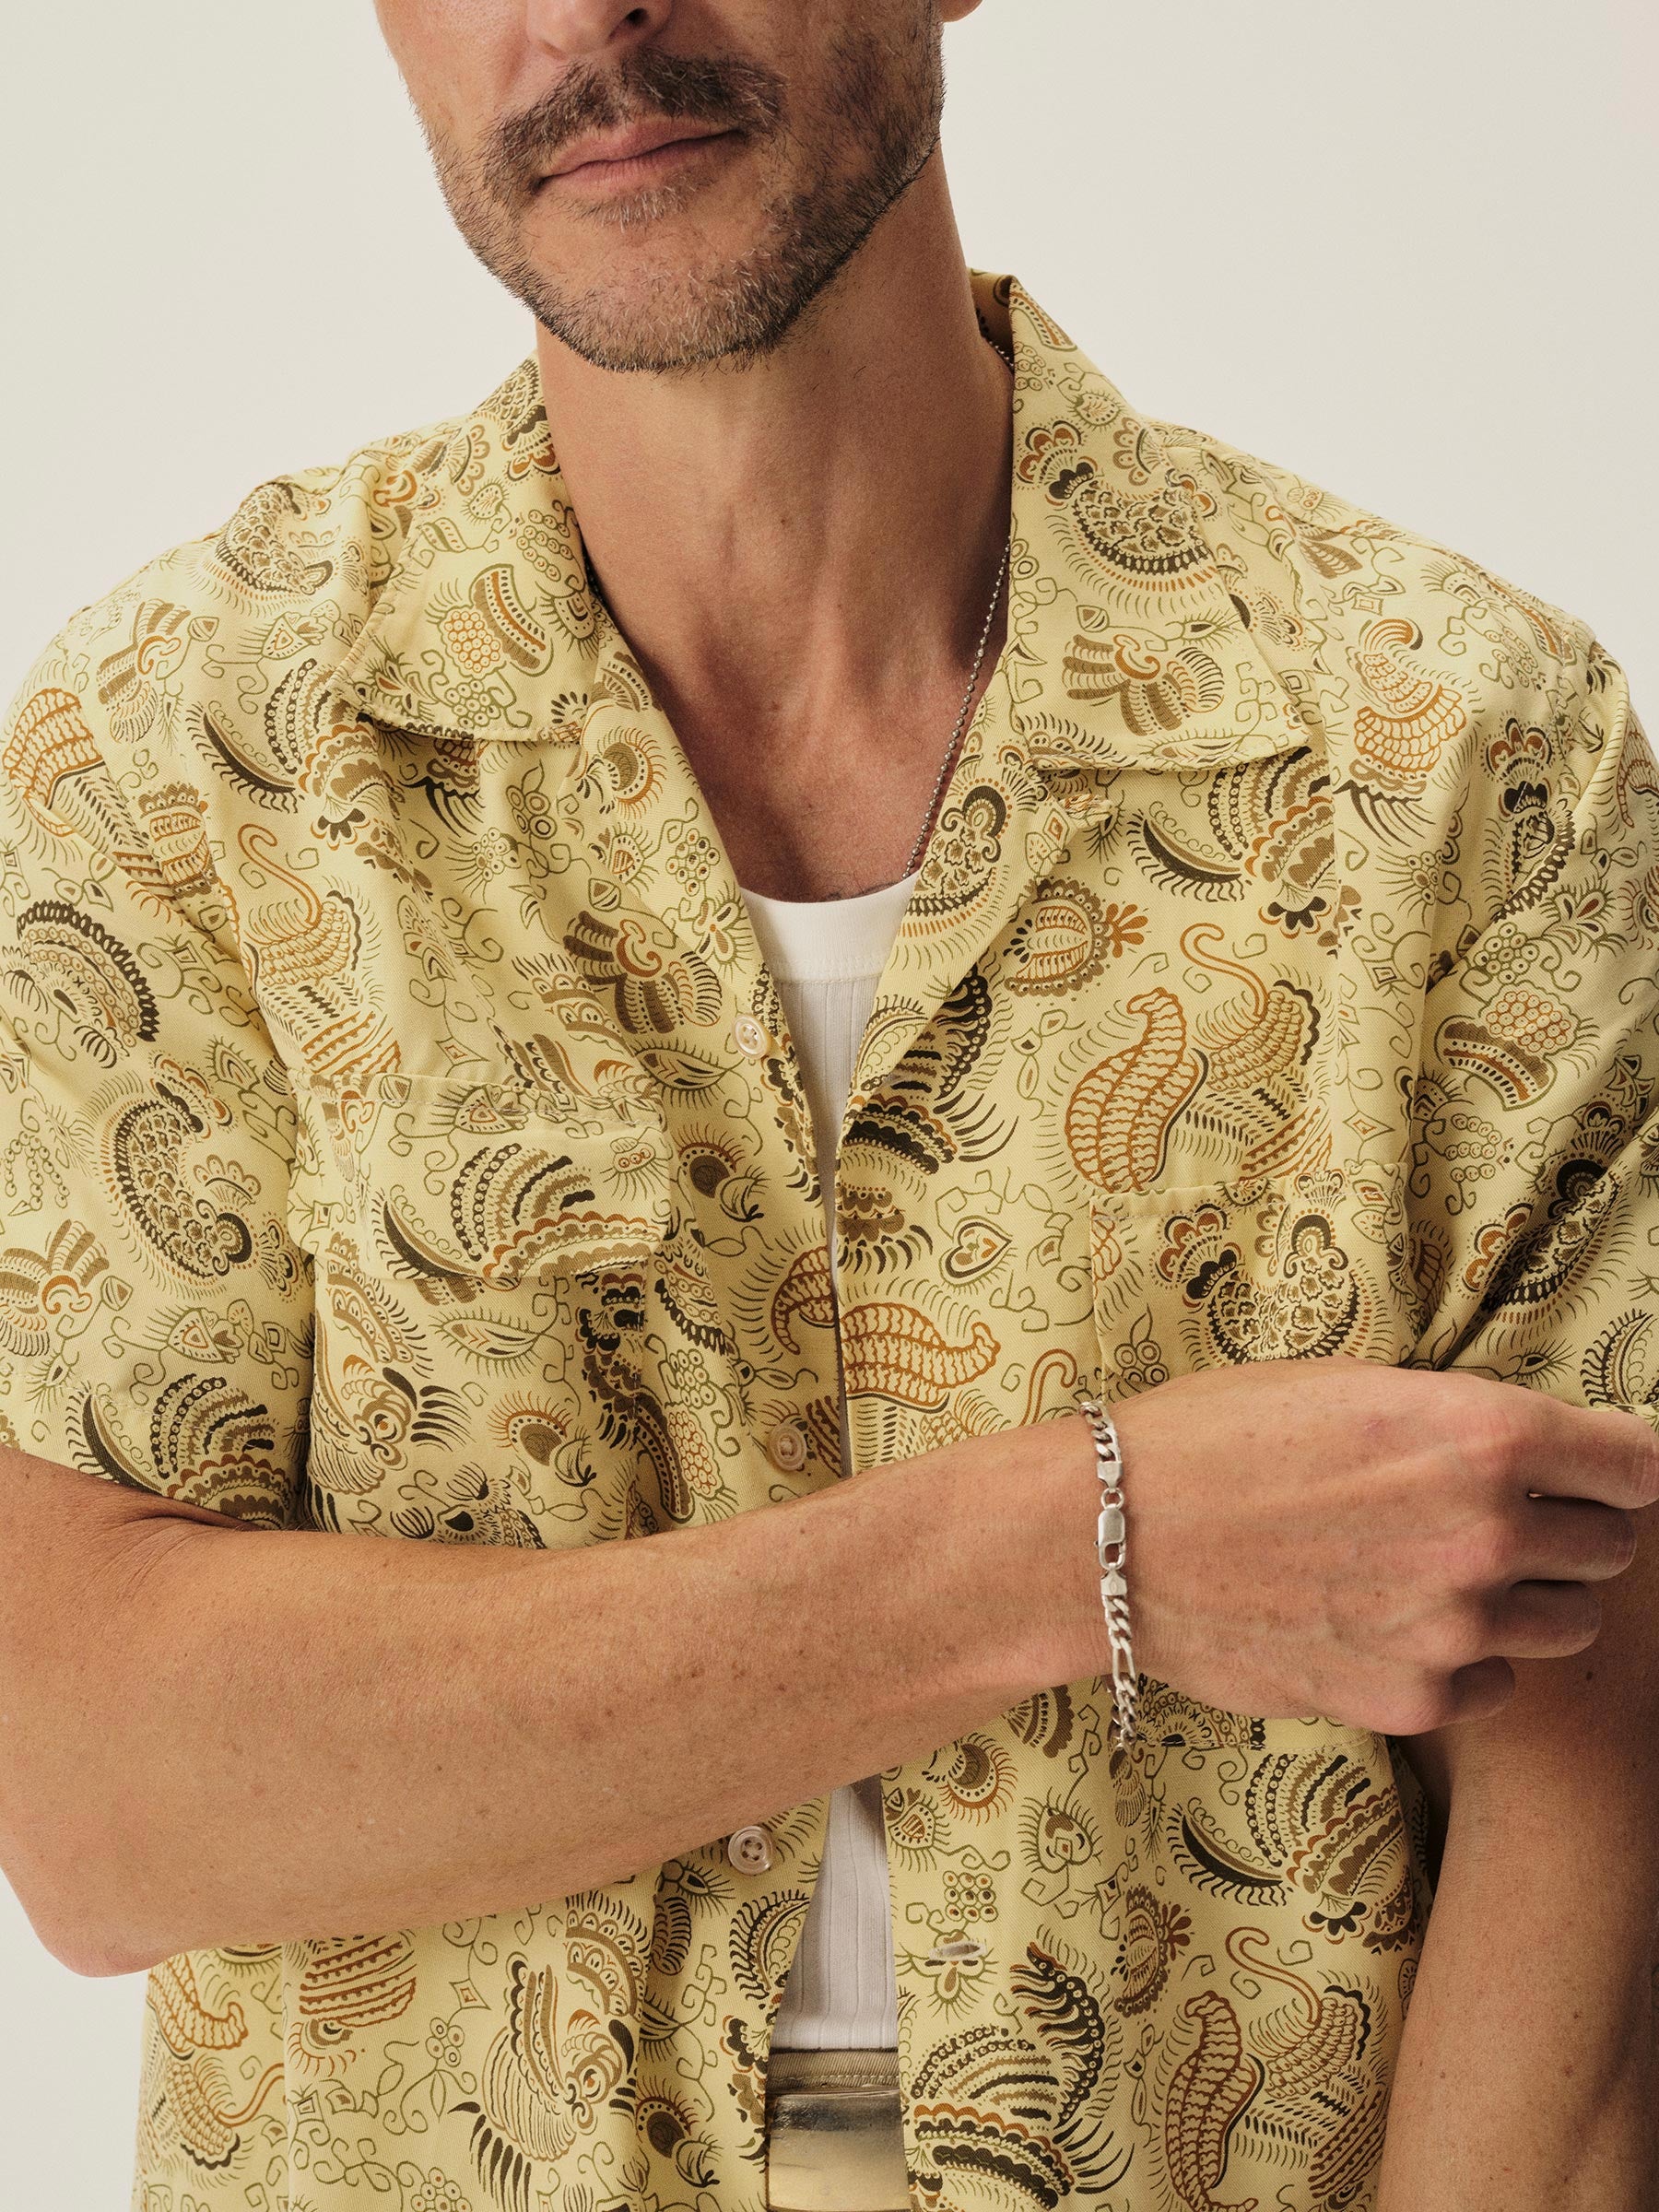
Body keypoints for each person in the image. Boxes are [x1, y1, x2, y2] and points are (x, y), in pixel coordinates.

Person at [1, 3, 1655, 2207]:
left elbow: (1594, 1835)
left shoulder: (1463, 757)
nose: (588, 15)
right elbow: (102, 1795)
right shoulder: (187, 761)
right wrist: (1089, 1545)